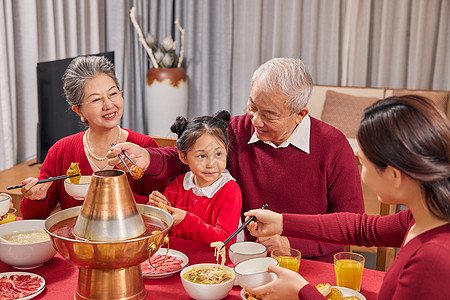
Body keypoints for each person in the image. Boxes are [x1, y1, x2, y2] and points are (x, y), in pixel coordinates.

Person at [108, 58, 364, 262]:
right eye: (252, 106)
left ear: (300, 115)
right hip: (245, 260)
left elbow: (351, 226)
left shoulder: (333, 146)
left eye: (269, 115)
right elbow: (191, 154)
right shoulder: (238, 130)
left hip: (309, 263)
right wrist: (148, 158)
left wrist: (291, 244)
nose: (255, 120)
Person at [244, 95, 450, 300]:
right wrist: (281, 222)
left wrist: (301, 292)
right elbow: (361, 228)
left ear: (394, 175)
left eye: (364, 164)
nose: (362, 173)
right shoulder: (422, 216)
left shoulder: (433, 259)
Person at [20, 56, 167, 219]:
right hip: (78, 243)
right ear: (79, 111)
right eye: (96, 99)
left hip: (130, 242)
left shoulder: (145, 147)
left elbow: (161, 211)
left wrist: (114, 198)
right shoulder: (60, 151)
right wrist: (36, 197)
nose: (109, 105)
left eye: (113, 93)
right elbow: (34, 218)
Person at [148, 110, 242, 247]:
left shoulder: (230, 190)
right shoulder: (179, 184)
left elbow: (225, 241)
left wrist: (186, 220)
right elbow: (159, 227)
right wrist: (155, 207)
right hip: (175, 259)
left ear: (227, 150)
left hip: (212, 266)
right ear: (183, 156)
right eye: (202, 156)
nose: (211, 164)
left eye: (218, 154)